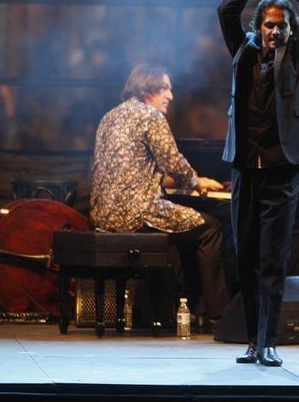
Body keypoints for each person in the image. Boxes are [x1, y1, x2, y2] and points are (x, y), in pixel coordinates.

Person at [218, 0, 299, 366]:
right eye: (268, 24)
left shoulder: (298, 58)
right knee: (246, 258)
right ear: (258, 28)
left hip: (282, 170)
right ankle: (253, 341)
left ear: (289, 30)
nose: (274, 31)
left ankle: (270, 341)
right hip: (245, 168)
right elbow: (225, 9)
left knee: (274, 259)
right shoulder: (242, 53)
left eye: (281, 25)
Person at [90, 64, 230, 324]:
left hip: (103, 215)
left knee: (188, 227)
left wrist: (172, 180)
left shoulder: (109, 117)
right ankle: (218, 314)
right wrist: (196, 181)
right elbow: (174, 163)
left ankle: (190, 305)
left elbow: (127, 167)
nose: (171, 96)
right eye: (165, 88)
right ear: (146, 90)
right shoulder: (150, 116)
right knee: (210, 228)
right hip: (138, 213)